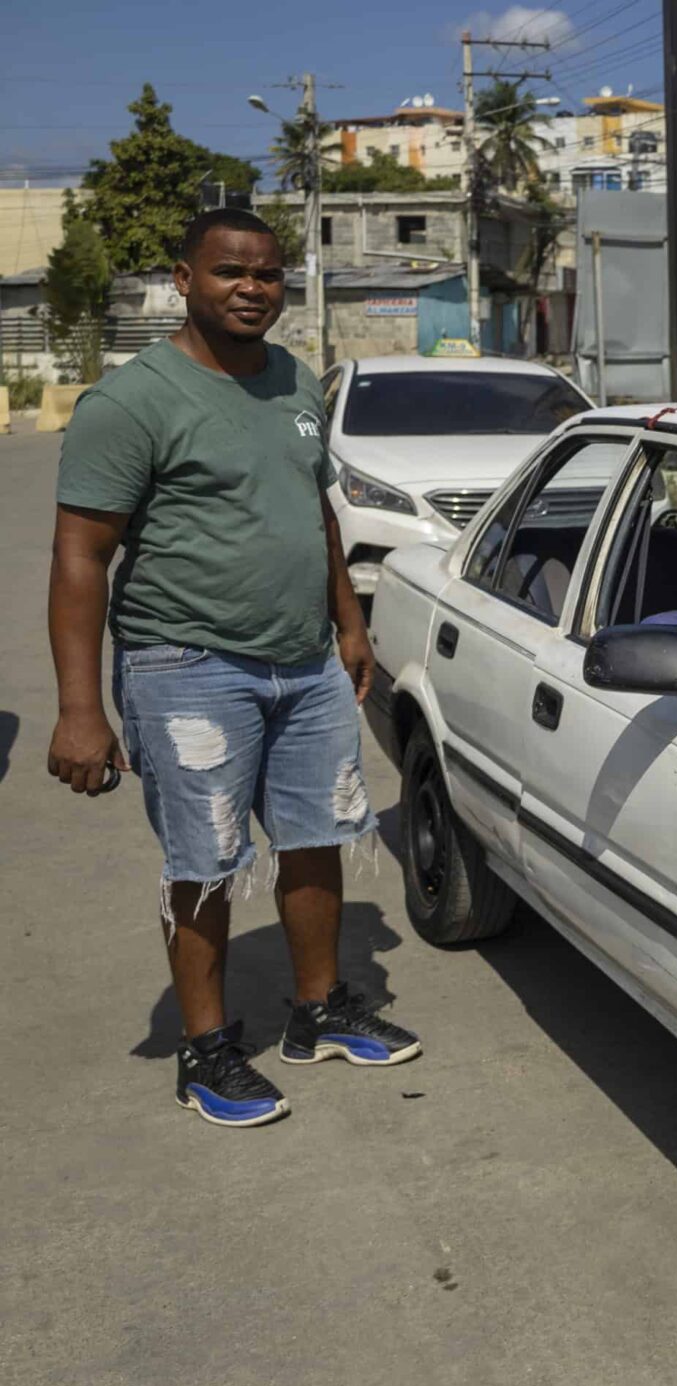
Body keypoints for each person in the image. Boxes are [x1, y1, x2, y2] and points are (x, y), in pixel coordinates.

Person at [46, 207, 419, 1128]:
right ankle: (207, 1049)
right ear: (184, 280)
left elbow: (315, 510)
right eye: (229, 273)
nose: (252, 289)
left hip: (306, 660)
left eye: (267, 274)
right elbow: (80, 557)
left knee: (317, 835)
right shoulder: (130, 402)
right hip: (187, 666)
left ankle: (319, 1010)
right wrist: (79, 709)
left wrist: (348, 623)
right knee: (205, 863)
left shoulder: (295, 380)